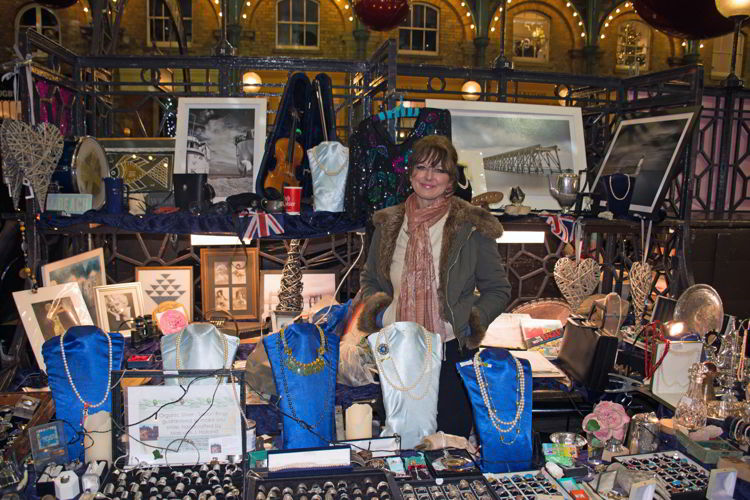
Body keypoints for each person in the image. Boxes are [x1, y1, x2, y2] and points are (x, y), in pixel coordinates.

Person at [358, 134, 512, 438]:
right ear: (411, 173)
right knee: (401, 440)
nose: (429, 177)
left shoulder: (471, 225)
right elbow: (370, 279)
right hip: (397, 350)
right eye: (422, 167)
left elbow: (498, 289)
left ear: (451, 178)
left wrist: (469, 322)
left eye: (439, 169)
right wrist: (379, 314)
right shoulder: (388, 222)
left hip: (449, 352)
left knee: (449, 441)